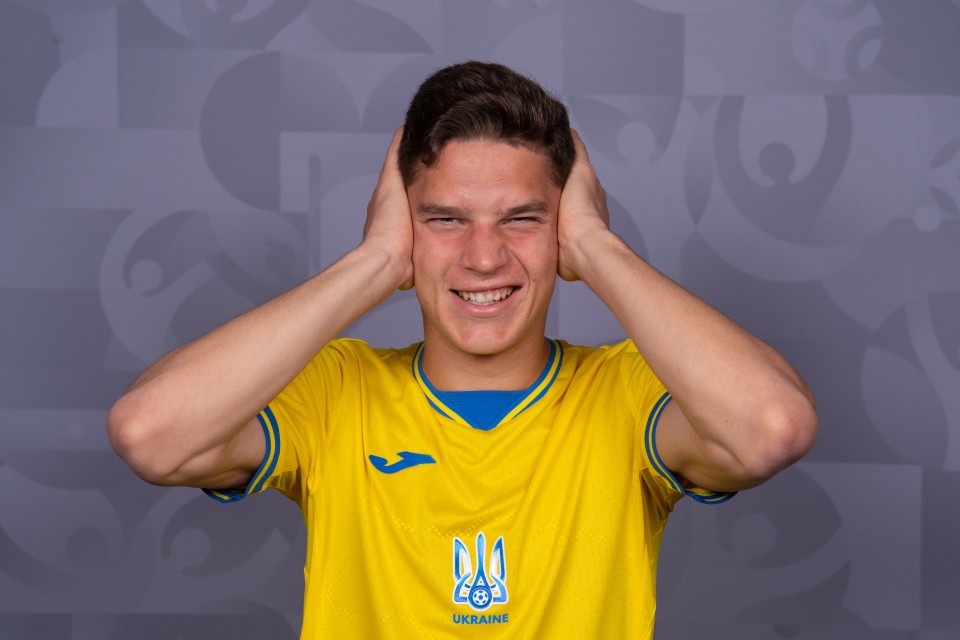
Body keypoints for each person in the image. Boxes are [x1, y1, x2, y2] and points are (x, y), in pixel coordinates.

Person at [107, 61, 817, 638]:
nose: (484, 257)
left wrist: (600, 247)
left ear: (561, 230)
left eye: (522, 219)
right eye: (445, 220)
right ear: (403, 227)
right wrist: (373, 263)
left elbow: (772, 427)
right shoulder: (334, 392)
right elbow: (150, 433)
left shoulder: (629, 395)